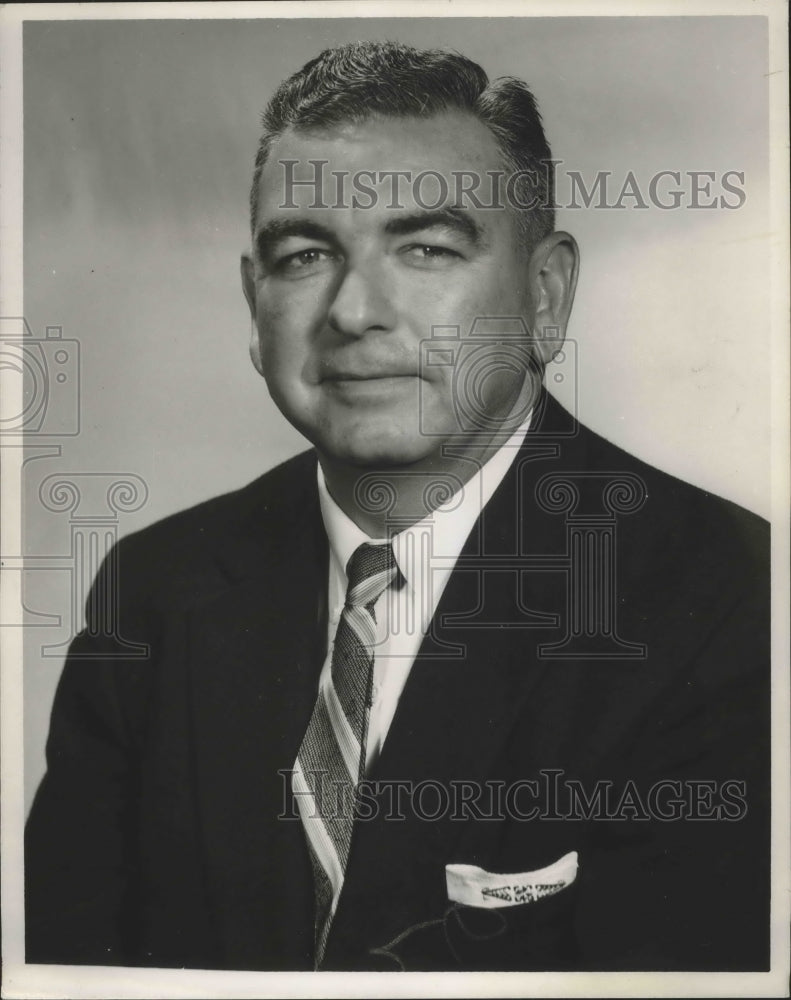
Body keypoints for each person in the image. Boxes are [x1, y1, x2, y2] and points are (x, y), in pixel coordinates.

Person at [25, 40, 769, 973]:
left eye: (424, 247)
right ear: (254, 306)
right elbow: (60, 971)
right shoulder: (154, 589)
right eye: (303, 255)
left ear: (546, 297)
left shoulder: (735, 599)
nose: (352, 311)